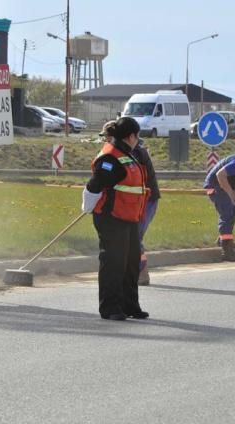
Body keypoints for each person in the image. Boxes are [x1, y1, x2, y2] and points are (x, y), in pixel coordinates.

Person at [83, 117, 149, 321]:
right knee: (114, 263)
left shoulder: (128, 154)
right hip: (111, 218)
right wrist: (88, 207)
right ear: (130, 136)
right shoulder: (109, 158)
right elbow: (94, 185)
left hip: (128, 217)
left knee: (130, 263)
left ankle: (130, 305)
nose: (138, 140)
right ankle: (110, 307)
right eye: (137, 136)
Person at [99, 121, 161, 286]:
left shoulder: (135, 153)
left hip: (145, 201)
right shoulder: (120, 152)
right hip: (132, 201)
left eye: (107, 137)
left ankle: (141, 273)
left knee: (134, 237)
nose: (106, 141)